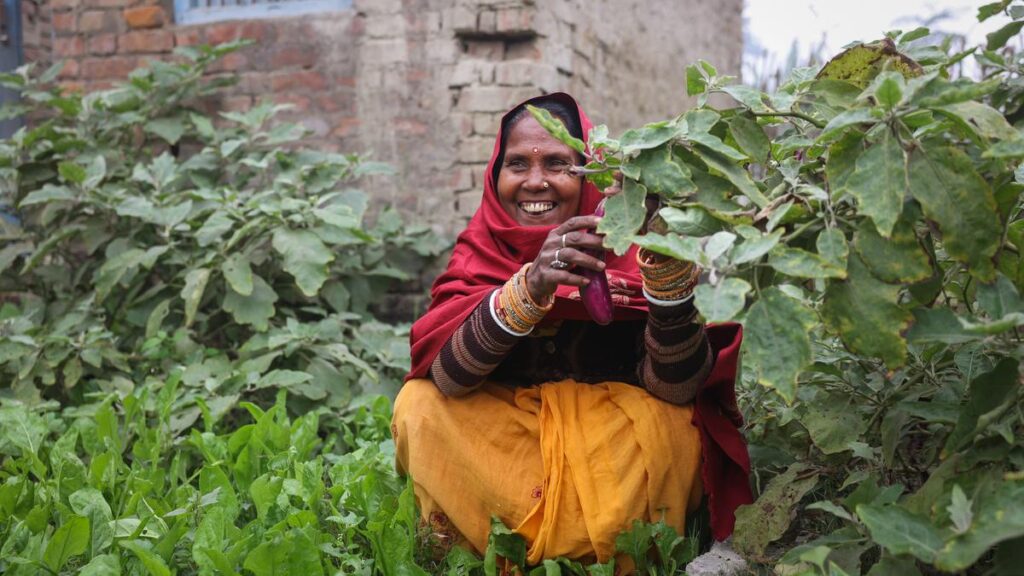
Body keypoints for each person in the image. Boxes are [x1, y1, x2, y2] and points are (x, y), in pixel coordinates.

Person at [392, 92, 752, 565]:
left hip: (612, 447)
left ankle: (614, 548)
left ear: (591, 174)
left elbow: (679, 388)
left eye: (559, 164)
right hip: (505, 443)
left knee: (675, 425)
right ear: (494, 176)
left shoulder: (636, 244)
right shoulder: (479, 252)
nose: (535, 182)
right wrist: (530, 287)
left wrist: (665, 274)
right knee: (420, 406)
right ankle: (488, 541)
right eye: (517, 164)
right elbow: (448, 377)